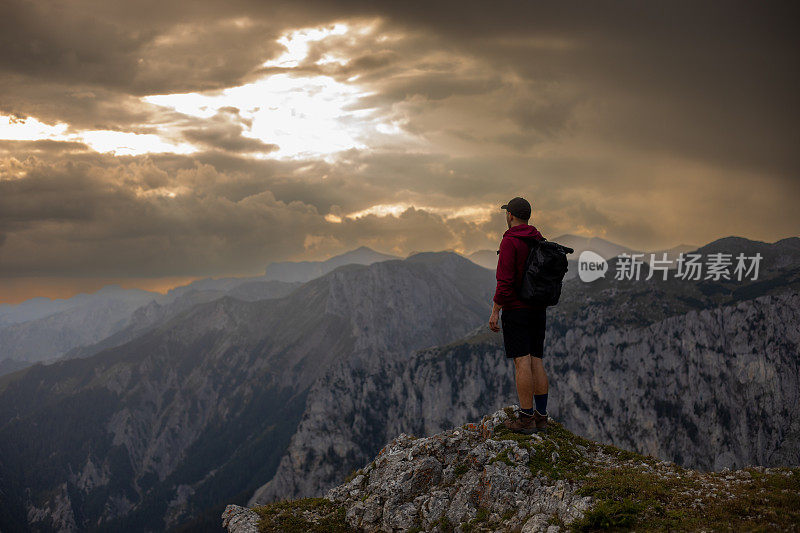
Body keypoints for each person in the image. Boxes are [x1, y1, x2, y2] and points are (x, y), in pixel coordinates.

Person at [488, 196, 550, 434]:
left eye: (507, 213)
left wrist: (495, 311)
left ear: (510, 216)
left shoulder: (510, 242)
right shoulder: (538, 239)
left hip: (516, 309)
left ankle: (525, 419)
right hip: (538, 309)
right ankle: (541, 416)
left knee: (521, 361)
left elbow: (504, 283)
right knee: (536, 360)